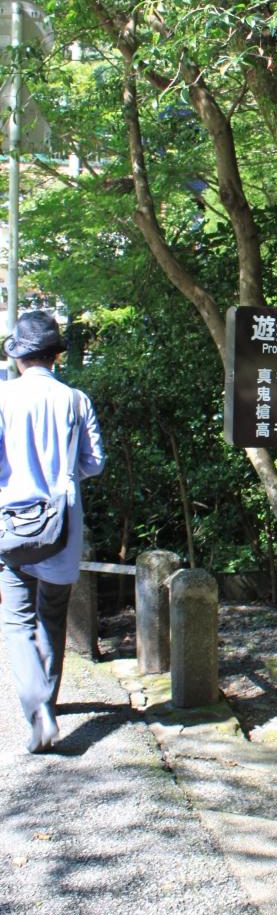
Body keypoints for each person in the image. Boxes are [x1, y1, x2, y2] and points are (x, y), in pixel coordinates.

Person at [0, 310, 105, 752]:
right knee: (52, 615)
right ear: (55, 356)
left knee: (16, 619)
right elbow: (94, 463)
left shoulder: (2, 397)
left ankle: (38, 708)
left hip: (12, 525)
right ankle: (49, 704)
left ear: (18, 357)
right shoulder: (76, 400)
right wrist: (64, 472)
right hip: (62, 525)